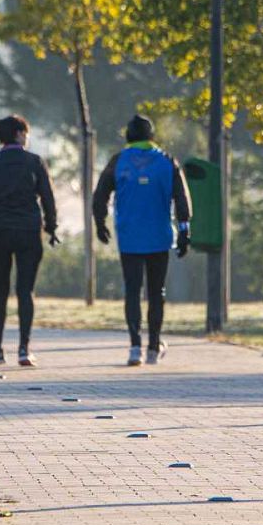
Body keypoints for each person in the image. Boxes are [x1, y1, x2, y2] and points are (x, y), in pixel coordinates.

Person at [92, 115, 191, 366]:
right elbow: (182, 199)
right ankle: (153, 347)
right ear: (151, 135)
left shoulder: (118, 161)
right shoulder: (167, 161)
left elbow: (100, 196)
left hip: (129, 237)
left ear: (128, 136)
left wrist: (100, 223)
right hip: (159, 236)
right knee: (157, 292)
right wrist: (184, 230)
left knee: (132, 291)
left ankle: (135, 346)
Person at [0, 114, 58, 367]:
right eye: (25, 133)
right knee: (25, 291)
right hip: (29, 231)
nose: (26, 137)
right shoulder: (35, 162)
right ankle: (24, 348)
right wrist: (51, 227)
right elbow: (48, 198)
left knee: (0, 291)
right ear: (18, 134)